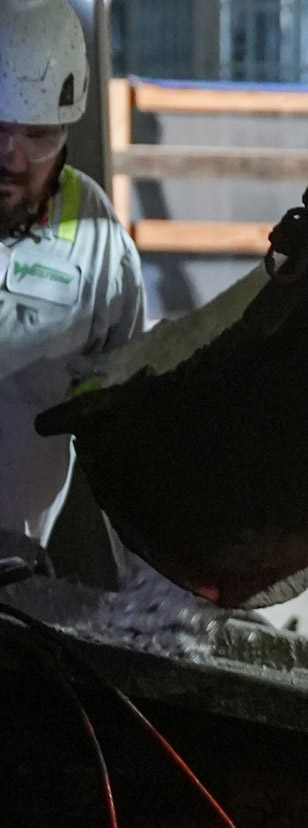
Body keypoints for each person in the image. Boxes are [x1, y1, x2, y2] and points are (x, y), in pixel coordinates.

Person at [0, 0, 144, 561]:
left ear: (65, 131)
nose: (11, 157)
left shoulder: (96, 240)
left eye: (37, 135)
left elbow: (128, 421)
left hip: (16, 575)